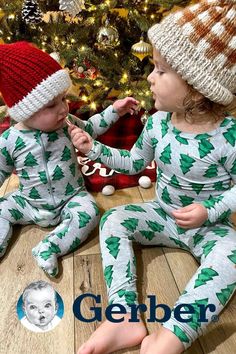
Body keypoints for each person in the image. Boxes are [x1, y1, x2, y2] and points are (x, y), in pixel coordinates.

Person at [69, 1, 236, 353]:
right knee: (113, 218)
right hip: (162, 214)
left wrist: (211, 210)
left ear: (196, 86)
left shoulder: (228, 137)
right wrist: (94, 150)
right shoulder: (158, 124)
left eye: (160, 70)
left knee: (233, 254)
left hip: (208, 227)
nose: (149, 78)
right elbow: (134, 163)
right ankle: (123, 315)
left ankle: (174, 334)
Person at [0, 41, 138, 277]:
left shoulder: (67, 123)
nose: (63, 108)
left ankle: (49, 246)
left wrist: (114, 110)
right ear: (24, 110)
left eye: (63, 99)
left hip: (71, 197)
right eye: (52, 105)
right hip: (29, 202)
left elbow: (92, 128)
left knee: (91, 212)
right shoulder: (9, 140)